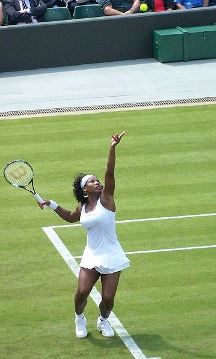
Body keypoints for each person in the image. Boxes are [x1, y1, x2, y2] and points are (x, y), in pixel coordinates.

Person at [40, 132, 130, 338]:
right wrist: (51, 204)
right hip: (91, 255)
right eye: (92, 181)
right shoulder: (82, 206)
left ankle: (103, 321)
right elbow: (71, 217)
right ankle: (79, 319)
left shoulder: (106, 200)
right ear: (84, 190)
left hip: (112, 254)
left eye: (97, 180)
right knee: (81, 293)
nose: (97, 182)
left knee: (108, 298)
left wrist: (112, 147)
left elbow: (110, 173)